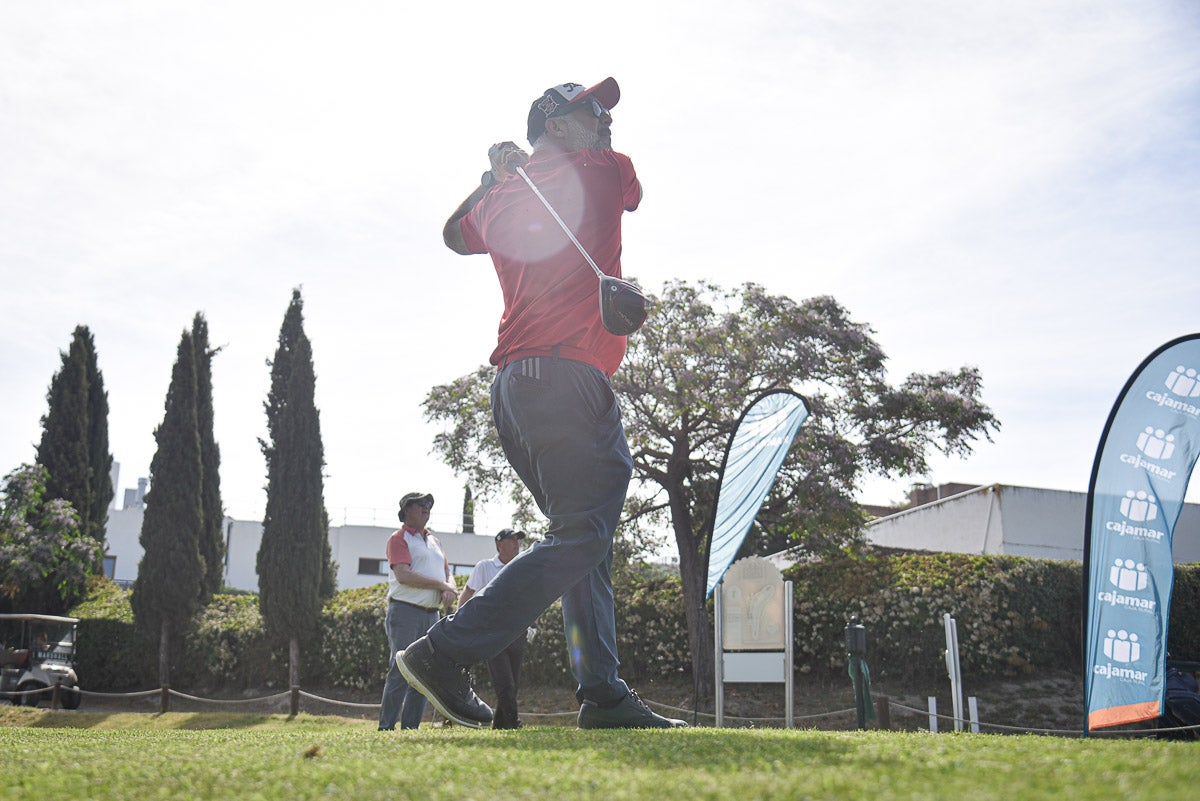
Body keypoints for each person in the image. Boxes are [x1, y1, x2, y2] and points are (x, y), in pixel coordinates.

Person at [398, 77, 685, 730]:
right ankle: (445, 652)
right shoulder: (607, 169)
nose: (606, 120)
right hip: (567, 380)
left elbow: (452, 235)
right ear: (556, 125)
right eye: (593, 110)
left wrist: (492, 178)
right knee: (582, 534)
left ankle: (603, 694)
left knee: (586, 541)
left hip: (515, 388)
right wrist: (517, 173)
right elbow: (634, 193)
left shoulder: (503, 199)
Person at [378, 491, 458, 731]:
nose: (426, 507)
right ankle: (386, 727)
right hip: (405, 612)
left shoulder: (435, 541)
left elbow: (448, 574)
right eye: (421, 503)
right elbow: (403, 575)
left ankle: (411, 727)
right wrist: (441, 585)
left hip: (432, 614)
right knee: (400, 667)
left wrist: (450, 588)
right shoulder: (399, 538)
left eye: (429, 504)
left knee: (424, 672)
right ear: (406, 510)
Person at [459, 528, 534, 729]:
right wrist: (459, 622)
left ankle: (501, 725)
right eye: (512, 540)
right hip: (492, 633)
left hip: (517, 632)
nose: (517, 544)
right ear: (499, 544)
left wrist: (533, 624)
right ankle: (513, 722)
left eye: (518, 540)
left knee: (512, 684)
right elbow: (468, 593)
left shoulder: (522, 568)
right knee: (505, 683)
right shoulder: (485, 567)